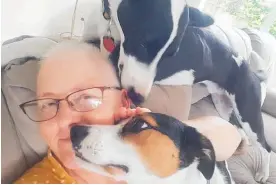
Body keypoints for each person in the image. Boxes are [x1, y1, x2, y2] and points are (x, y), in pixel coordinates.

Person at [14, 41, 242, 184]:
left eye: (86, 98)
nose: (65, 121)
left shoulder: (147, 141)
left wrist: (178, 136)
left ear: (124, 103)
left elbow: (233, 136)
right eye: (49, 104)